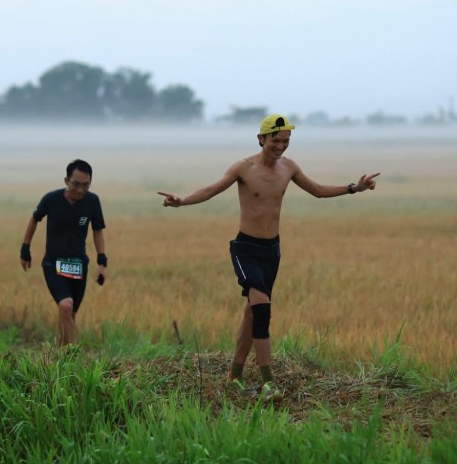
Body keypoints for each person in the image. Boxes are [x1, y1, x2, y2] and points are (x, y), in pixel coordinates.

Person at [157, 114, 379, 400]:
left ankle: (233, 376)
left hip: (271, 251)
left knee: (251, 313)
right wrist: (182, 201)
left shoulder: (289, 168)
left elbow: (319, 191)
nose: (281, 146)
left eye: (286, 141)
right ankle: (269, 383)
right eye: (275, 140)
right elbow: (211, 190)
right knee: (261, 310)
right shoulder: (243, 168)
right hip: (246, 249)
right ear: (261, 139)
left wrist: (354, 188)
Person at [20, 158, 107, 347]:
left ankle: (61, 353)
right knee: (65, 305)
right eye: (76, 184)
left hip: (78, 264)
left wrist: (102, 262)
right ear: (66, 181)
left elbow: (98, 230)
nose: (81, 190)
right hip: (53, 263)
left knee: (70, 313)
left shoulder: (92, 201)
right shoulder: (51, 199)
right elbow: (35, 219)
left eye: (86, 185)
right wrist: (25, 249)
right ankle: (70, 354)